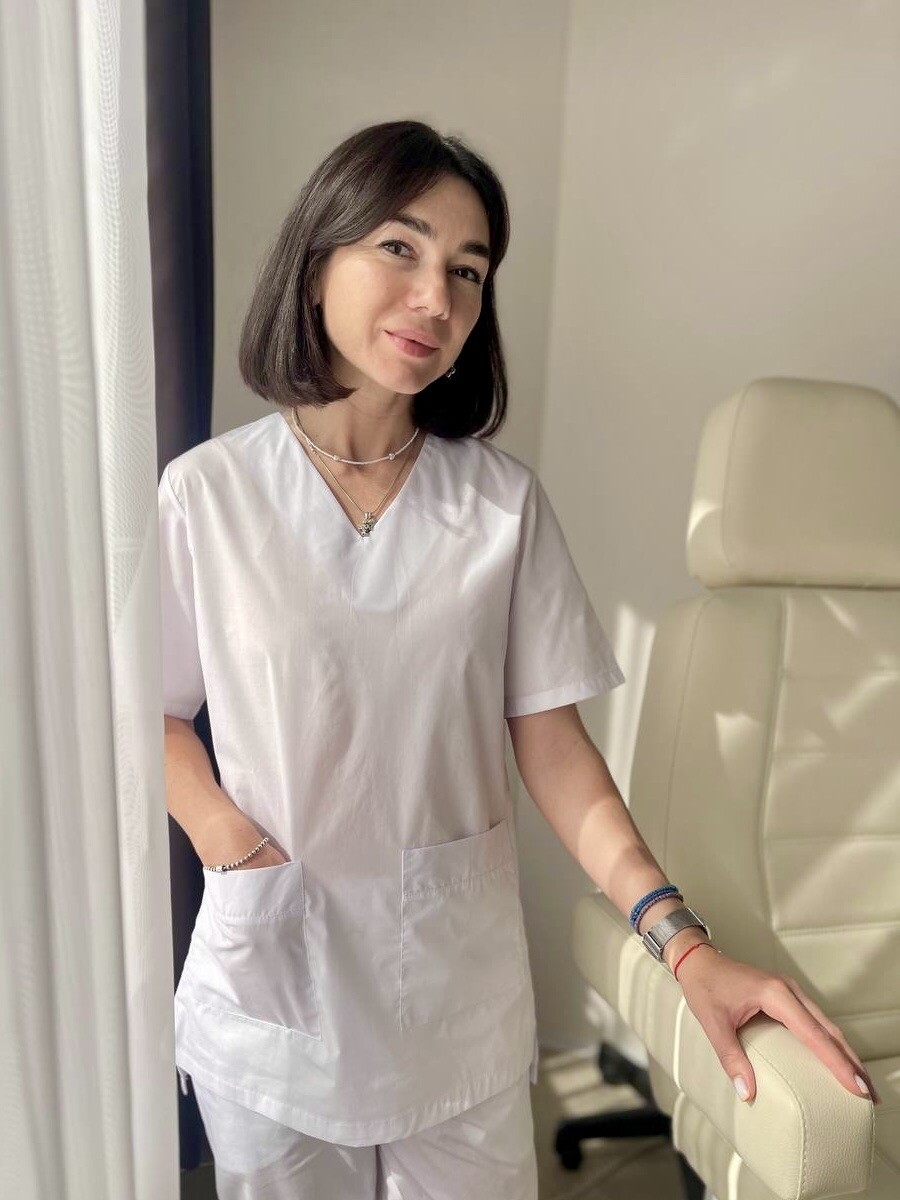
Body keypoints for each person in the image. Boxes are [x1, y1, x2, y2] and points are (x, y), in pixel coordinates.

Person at [160, 120, 879, 1200]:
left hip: (454, 1006)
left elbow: (554, 749)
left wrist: (684, 946)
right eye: (399, 248)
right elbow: (152, 712)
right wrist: (232, 845)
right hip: (276, 995)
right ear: (315, 266)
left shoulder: (501, 505)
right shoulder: (208, 495)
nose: (436, 297)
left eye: (468, 270)